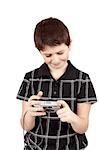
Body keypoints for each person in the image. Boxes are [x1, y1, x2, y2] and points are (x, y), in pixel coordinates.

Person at [16, 17, 97, 150]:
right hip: (35, 146)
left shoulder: (82, 79)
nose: (55, 60)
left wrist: (72, 117)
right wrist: (30, 113)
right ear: (39, 52)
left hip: (71, 147)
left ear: (69, 44)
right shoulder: (30, 78)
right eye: (48, 55)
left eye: (60, 52)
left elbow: (83, 127)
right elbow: (26, 126)